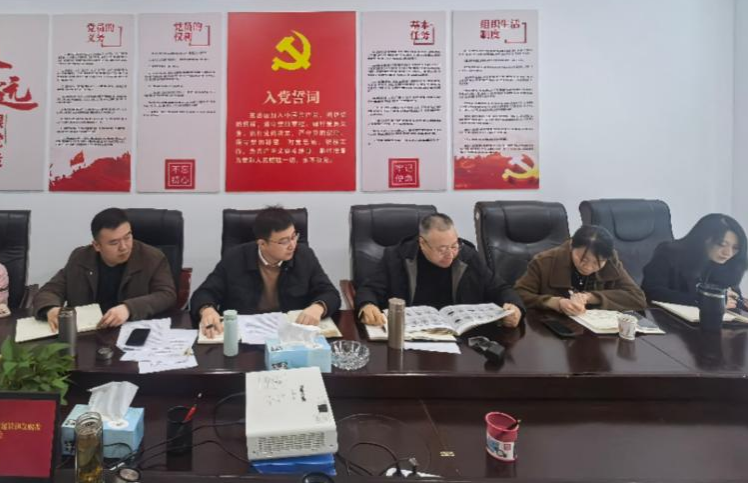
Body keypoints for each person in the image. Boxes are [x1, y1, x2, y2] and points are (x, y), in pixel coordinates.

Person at [191, 207, 341, 335]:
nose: (292, 245)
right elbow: (204, 293)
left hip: (290, 335)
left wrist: (318, 307)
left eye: (294, 236)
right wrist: (207, 310)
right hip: (244, 338)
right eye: (284, 241)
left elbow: (330, 293)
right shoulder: (235, 257)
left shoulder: (304, 256)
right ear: (262, 244)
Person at [355, 213, 523, 327]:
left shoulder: (468, 256)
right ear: (422, 243)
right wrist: (367, 305)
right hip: (411, 335)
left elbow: (500, 288)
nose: (450, 254)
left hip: (460, 338)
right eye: (442, 249)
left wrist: (515, 308)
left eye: (454, 246)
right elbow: (369, 289)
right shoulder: (397, 257)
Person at [32, 208, 177, 331]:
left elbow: (166, 295)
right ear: (97, 246)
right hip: (88, 334)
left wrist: (129, 308)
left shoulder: (152, 258)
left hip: (131, 332)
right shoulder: (80, 258)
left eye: (127, 237)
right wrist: (51, 309)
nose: (124, 247)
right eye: (114, 243)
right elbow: (50, 290)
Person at [515, 225, 646, 314]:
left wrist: (590, 297)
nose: (588, 267)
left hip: (597, 333)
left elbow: (637, 298)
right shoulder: (544, 261)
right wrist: (556, 302)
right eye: (582, 259)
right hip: (552, 331)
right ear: (572, 245)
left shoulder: (611, 261)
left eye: (598, 262)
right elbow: (519, 294)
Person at [642, 214, 747, 309]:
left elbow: (733, 299)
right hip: (668, 319)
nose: (728, 253)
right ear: (703, 239)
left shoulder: (729, 264)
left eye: (735, 248)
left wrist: (739, 302)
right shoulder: (670, 253)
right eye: (721, 244)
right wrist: (707, 301)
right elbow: (653, 292)